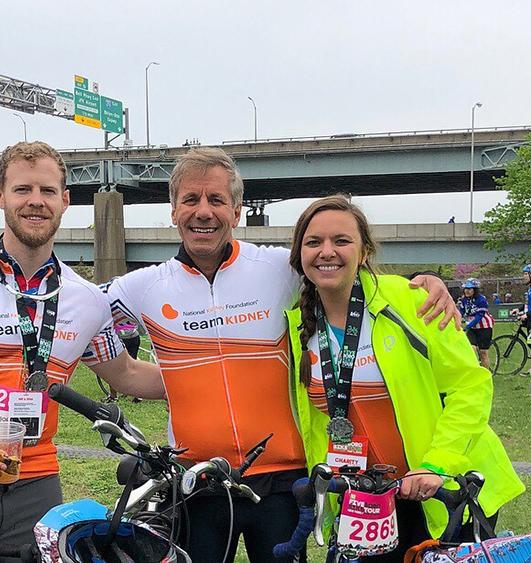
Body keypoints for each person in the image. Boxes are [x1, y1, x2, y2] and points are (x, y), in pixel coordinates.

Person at [103, 148, 460, 562]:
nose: (204, 211)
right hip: (196, 481)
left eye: (217, 200)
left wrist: (423, 283)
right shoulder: (144, 285)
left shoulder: (279, 267)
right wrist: (133, 371)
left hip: (280, 483)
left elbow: (342, 271)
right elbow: (78, 315)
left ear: (236, 211)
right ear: (173, 210)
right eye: (191, 200)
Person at [0, 141, 163, 562]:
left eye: (48, 191)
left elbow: (126, 374)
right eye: (23, 190)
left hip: (38, 486)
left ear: (66, 200)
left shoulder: (87, 299)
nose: (36, 202)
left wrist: (214, 375)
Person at [286, 195, 524, 560]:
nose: (327, 251)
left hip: (443, 487)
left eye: (342, 240)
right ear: (299, 254)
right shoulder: (298, 322)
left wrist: (436, 465)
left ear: (364, 251)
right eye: (314, 242)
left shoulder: (414, 300)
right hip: (367, 497)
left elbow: (470, 385)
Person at [457, 278, 495, 369]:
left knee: (483, 353)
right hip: (472, 328)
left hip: (484, 327)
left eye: (469, 289)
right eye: (465, 289)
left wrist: (468, 326)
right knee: (471, 349)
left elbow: (479, 316)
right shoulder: (463, 300)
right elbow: (461, 312)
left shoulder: (481, 299)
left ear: (475, 290)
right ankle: (474, 369)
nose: (467, 291)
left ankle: (487, 373)